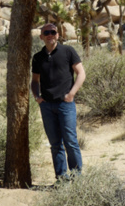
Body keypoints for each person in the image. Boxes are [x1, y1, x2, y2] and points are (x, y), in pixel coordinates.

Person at [31, 23, 85, 182]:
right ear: (41, 37)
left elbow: (81, 73)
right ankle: (61, 179)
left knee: (70, 141)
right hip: (46, 105)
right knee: (55, 144)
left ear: (58, 34)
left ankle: (77, 178)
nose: (50, 35)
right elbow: (34, 80)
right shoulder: (38, 57)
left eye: (53, 32)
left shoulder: (68, 51)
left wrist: (71, 94)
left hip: (65, 104)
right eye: (46, 33)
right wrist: (37, 97)